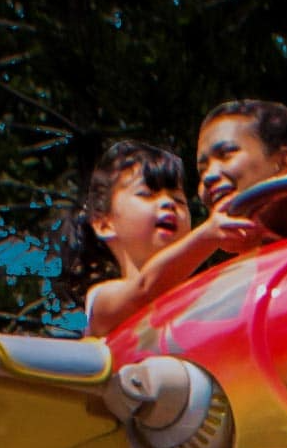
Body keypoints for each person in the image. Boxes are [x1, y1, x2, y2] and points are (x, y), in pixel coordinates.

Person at [65, 135, 193, 334]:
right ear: (105, 224)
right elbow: (145, 291)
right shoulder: (102, 298)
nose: (169, 203)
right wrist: (209, 237)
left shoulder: (201, 296)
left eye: (179, 200)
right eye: (147, 194)